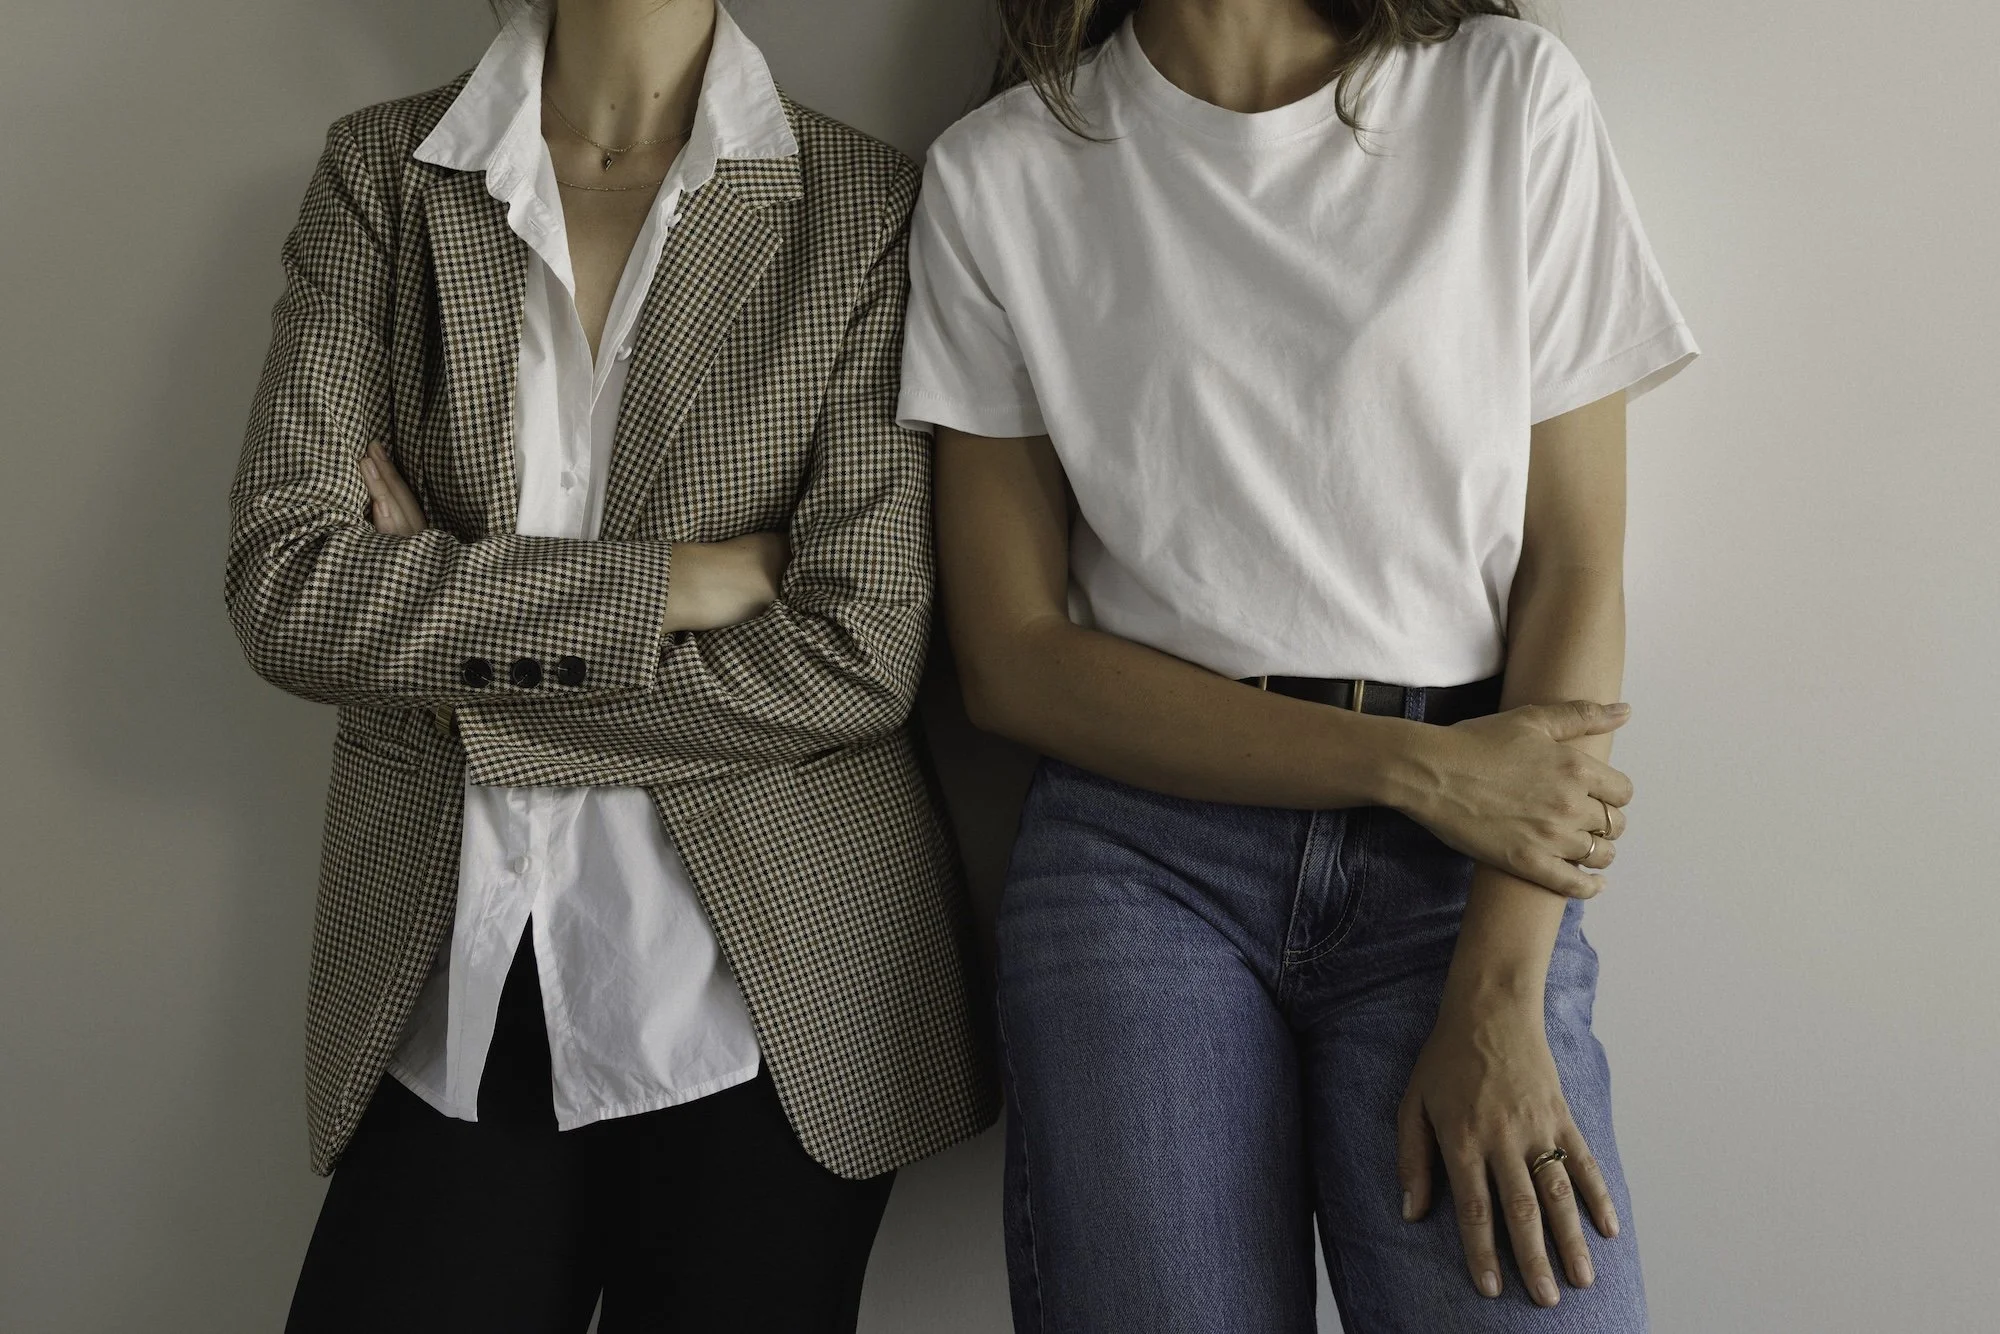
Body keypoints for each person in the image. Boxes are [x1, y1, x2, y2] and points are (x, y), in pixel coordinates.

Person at [899, 0, 1696, 1329]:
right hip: (1144, 861)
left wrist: (1503, 991)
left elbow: (1573, 563)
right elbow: (1015, 661)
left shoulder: (1505, 98)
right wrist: (1417, 769)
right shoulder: (1001, 171)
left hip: (1464, 875)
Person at [225, 1, 996, 1329]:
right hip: (453, 982)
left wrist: (459, 675)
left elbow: (857, 652)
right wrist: (675, 584)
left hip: (770, 1000)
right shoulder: (385, 178)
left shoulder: (861, 206)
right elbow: (290, 587)